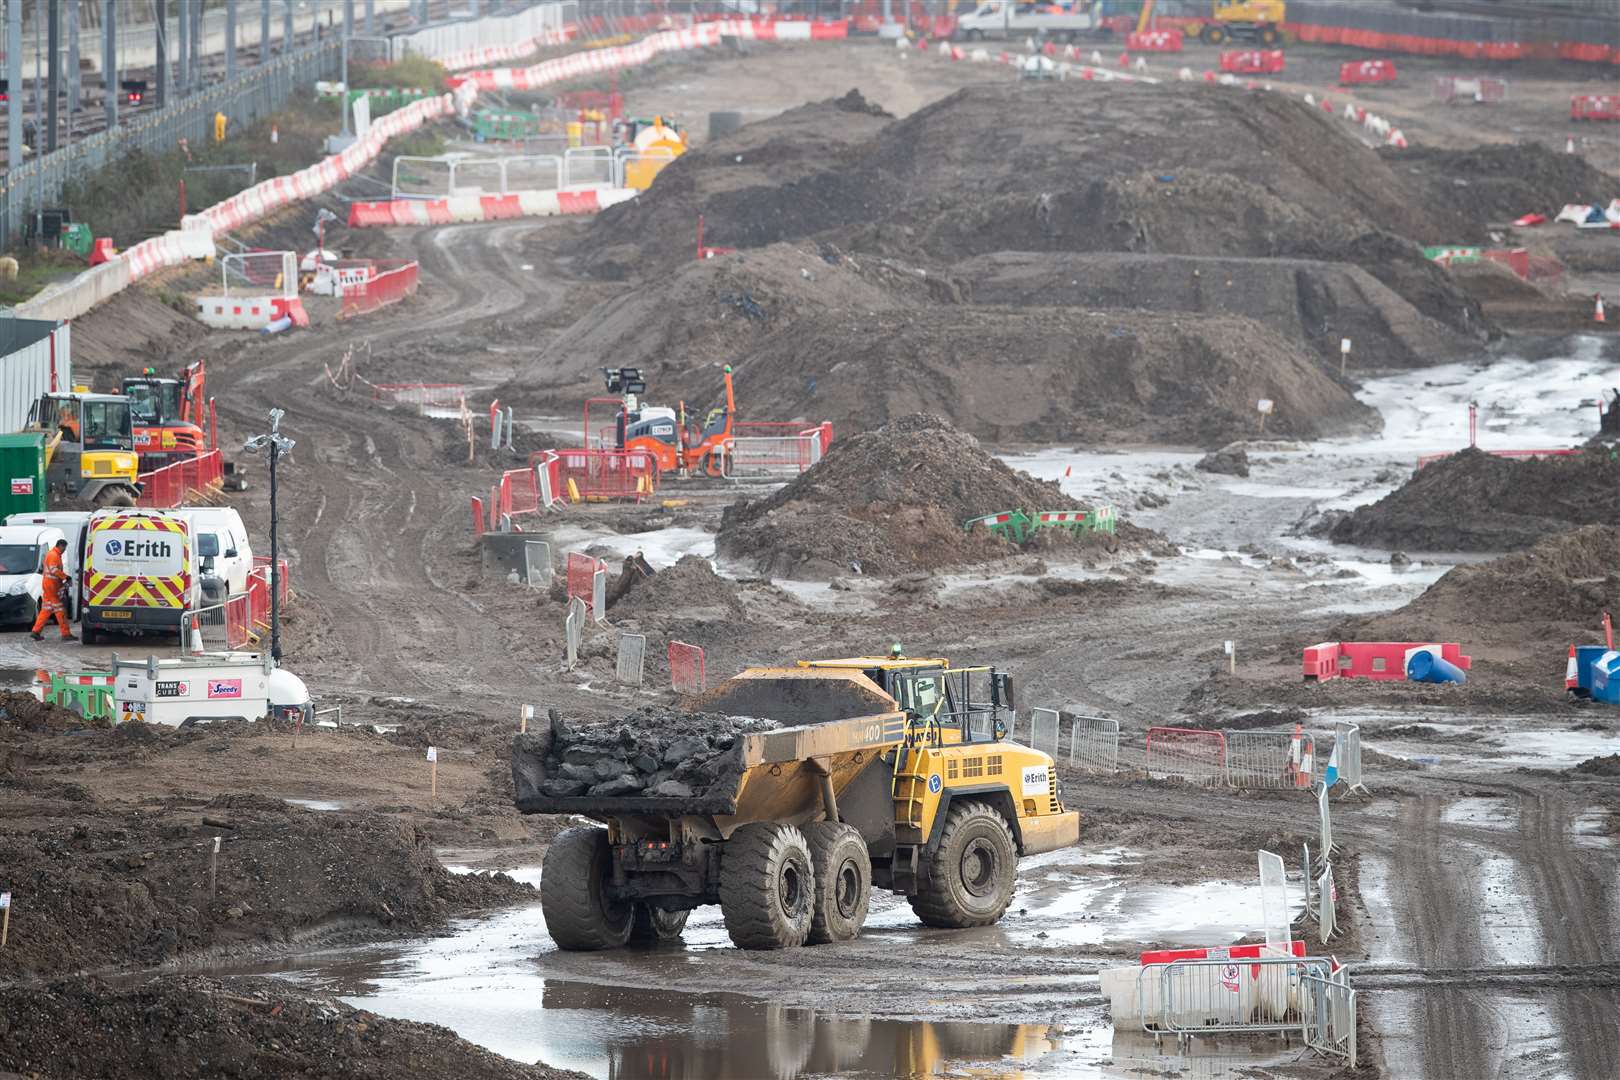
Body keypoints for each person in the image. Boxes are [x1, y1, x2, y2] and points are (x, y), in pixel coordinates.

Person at [31, 539, 75, 642]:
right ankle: (66, 634)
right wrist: (65, 577)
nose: (64, 550)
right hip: (51, 586)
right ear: (61, 546)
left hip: (49, 585)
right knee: (60, 609)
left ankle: (36, 631)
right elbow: (54, 570)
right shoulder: (54, 555)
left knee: (46, 609)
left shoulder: (53, 554)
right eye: (64, 548)